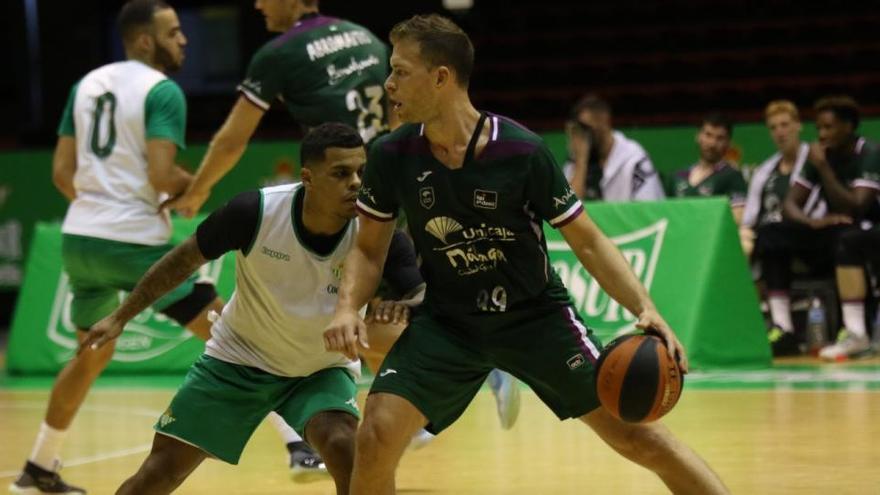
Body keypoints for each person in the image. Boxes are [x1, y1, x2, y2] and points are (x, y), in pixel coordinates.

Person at [323, 14, 729, 495]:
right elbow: (369, 250)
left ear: (441, 77)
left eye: (399, 70)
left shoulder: (520, 151)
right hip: (448, 324)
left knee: (642, 441)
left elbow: (589, 241)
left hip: (535, 319)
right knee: (375, 436)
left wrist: (645, 308)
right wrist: (347, 307)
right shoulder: (392, 156)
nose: (388, 84)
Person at [79, 122, 414, 495]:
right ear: (308, 178)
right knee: (158, 474)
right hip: (238, 361)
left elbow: (418, 293)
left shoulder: (377, 230)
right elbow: (182, 260)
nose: (355, 183)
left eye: (361, 172)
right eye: (340, 173)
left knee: (345, 449)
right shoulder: (255, 211)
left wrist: (399, 312)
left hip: (319, 369)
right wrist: (121, 315)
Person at [8, 3, 226, 494]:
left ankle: (38, 468)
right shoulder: (162, 91)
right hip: (133, 243)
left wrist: (101, 209)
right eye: (173, 33)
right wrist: (197, 189)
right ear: (145, 41)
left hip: (80, 238)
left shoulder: (86, 85)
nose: (184, 40)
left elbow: (61, 174)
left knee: (89, 356)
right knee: (234, 332)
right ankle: (299, 444)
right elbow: (161, 175)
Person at [166, 0, 393, 219]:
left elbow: (232, 141)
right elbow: (399, 115)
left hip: (340, 189)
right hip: (388, 181)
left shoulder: (278, 54)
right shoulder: (368, 38)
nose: (258, 5)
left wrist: (197, 192)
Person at [786, 96, 880, 360]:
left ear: (849, 126)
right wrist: (812, 222)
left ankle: (856, 333)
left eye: (829, 127)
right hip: (843, 231)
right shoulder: (820, 155)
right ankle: (782, 327)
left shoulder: (869, 153)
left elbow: (857, 207)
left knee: (848, 239)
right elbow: (790, 204)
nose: (822, 134)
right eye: (819, 129)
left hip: (872, 227)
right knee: (773, 236)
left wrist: (824, 168)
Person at [741, 101, 833, 355]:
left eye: (785, 125)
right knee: (757, 241)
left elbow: (819, 210)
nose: (780, 132)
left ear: (798, 126)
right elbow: (749, 219)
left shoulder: (813, 158)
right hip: (775, 243)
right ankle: (779, 329)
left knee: (770, 235)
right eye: (774, 127)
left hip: (813, 236)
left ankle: (781, 325)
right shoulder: (764, 171)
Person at [563, 94, 665, 201]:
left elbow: (648, 206)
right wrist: (580, 162)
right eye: (578, 131)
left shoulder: (634, 159)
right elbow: (569, 210)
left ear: (604, 121)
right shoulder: (575, 161)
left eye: (586, 129)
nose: (582, 137)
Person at [665, 113, 747, 224]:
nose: (712, 143)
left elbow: (738, 218)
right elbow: (664, 216)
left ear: (728, 143)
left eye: (720, 138)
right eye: (708, 135)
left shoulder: (732, 176)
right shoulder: (677, 177)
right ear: (698, 136)